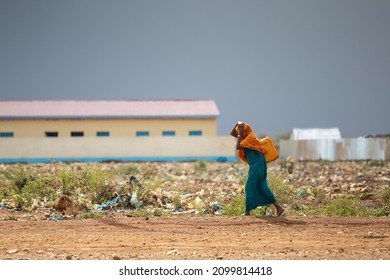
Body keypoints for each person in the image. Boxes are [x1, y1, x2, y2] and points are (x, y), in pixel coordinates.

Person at [231, 122, 284, 217]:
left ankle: (247, 212)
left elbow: (238, 146)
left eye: (239, 132)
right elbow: (236, 139)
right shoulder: (245, 138)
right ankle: (278, 208)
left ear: (244, 131)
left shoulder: (250, 138)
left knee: (248, 186)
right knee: (262, 187)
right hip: (255, 165)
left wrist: (239, 133)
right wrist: (238, 129)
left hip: (258, 165)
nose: (238, 134)